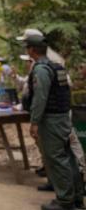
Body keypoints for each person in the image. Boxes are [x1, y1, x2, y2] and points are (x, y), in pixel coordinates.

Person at [24, 33, 83, 210]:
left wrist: (34, 122)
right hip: (63, 117)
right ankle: (77, 198)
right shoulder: (57, 66)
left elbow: (40, 98)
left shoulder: (41, 69)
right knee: (69, 158)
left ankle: (65, 201)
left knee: (56, 159)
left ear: (32, 50)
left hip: (51, 121)